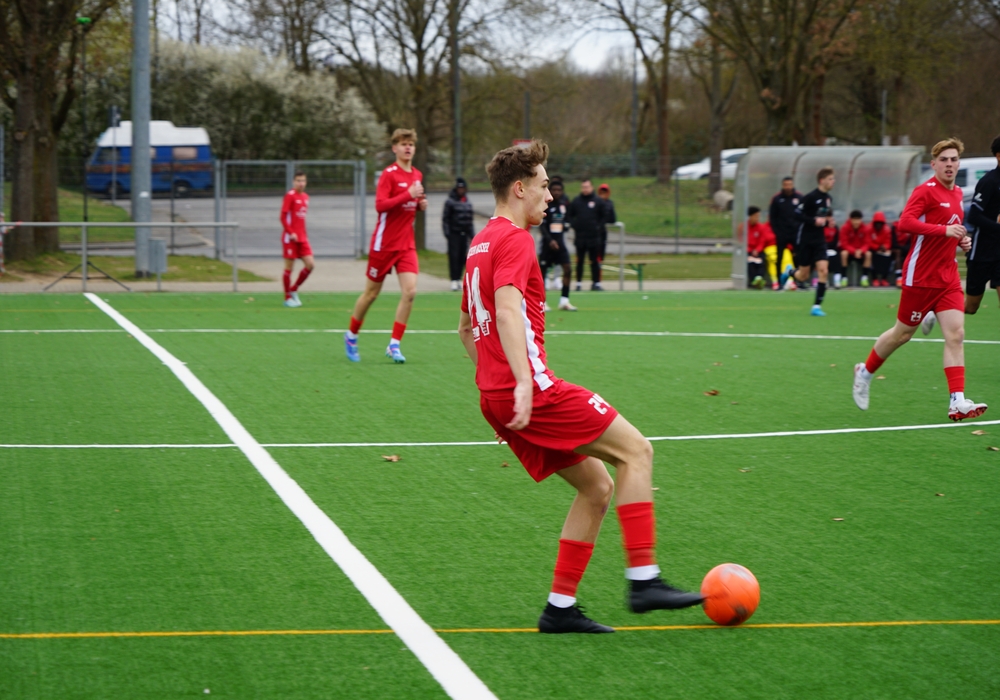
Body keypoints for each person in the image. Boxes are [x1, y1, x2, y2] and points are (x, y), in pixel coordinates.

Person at [458, 140, 703, 634]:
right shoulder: (515, 240)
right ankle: (644, 579)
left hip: (497, 397)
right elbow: (505, 311)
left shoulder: (479, 244)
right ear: (519, 188)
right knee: (637, 451)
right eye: (544, 185)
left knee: (597, 487)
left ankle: (560, 608)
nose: (550, 196)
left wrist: (498, 392)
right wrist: (521, 384)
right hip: (533, 391)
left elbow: (466, 327)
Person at [852, 137, 987, 422]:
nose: (949, 164)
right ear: (934, 164)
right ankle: (865, 372)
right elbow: (905, 223)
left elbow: (951, 229)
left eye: (954, 159)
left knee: (956, 335)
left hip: (948, 277)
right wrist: (944, 231)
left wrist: (960, 240)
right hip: (921, 277)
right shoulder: (925, 191)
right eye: (944, 160)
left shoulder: (957, 193)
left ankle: (957, 401)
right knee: (902, 335)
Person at [344, 128, 428, 363]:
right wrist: (408, 195)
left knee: (410, 292)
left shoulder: (417, 174)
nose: (408, 147)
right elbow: (380, 205)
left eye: (411, 144)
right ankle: (351, 335)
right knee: (371, 294)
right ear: (394, 148)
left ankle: (394, 345)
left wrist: (419, 204)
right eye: (403, 144)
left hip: (406, 245)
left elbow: (412, 202)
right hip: (384, 245)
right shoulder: (389, 175)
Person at [962, 135, 1000, 317]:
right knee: (971, 307)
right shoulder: (989, 182)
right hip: (982, 252)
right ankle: (937, 311)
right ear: (999, 156)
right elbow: (974, 216)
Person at [793, 167, 836, 316]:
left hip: (819, 239)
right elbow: (797, 214)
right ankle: (790, 272)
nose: (833, 181)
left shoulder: (828, 199)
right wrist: (813, 221)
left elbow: (824, 216)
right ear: (821, 180)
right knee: (803, 276)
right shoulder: (810, 197)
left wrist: (828, 221)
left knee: (824, 270)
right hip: (806, 239)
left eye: (833, 179)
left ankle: (816, 306)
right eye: (830, 179)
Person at [539, 179, 576, 311]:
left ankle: (564, 301)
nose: (556, 192)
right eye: (554, 190)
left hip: (560, 244)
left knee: (568, 269)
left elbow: (567, 220)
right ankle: (542, 302)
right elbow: (542, 226)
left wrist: (567, 225)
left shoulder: (563, 205)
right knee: (541, 274)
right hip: (547, 245)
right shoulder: (545, 205)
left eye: (559, 190)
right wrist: (550, 240)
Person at [280, 171, 314, 307]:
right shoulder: (290, 196)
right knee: (289, 268)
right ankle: (287, 297)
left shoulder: (306, 197)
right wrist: (291, 232)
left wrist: (303, 234)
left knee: (310, 265)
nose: (301, 183)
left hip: (302, 238)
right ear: (294, 182)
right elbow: (282, 217)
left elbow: (301, 219)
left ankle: (294, 289)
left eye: (303, 181)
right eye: (298, 181)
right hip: (290, 239)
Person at [567, 179, 605, 291]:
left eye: (587, 187)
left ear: (592, 187)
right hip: (580, 237)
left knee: (594, 261)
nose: (585, 189)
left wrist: (598, 227)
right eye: (583, 187)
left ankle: (596, 283)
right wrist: (575, 225)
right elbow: (569, 215)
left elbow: (604, 216)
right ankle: (578, 283)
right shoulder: (577, 201)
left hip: (594, 237)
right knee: (580, 261)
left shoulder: (598, 201)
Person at [443, 177, 475, 292]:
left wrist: (472, 236)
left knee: (463, 257)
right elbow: (446, 219)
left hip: (464, 234)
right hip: (454, 234)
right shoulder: (450, 202)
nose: (461, 190)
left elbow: (469, 221)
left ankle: (459, 279)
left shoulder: (467, 202)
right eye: (459, 188)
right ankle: (453, 279)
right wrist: (448, 234)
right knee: (454, 257)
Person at [769, 177, 802, 286]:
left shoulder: (799, 198)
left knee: (798, 257)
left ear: (793, 185)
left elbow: (803, 215)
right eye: (785, 185)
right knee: (779, 257)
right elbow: (772, 217)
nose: (788, 187)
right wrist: (777, 231)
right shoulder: (777, 199)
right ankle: (779, 282)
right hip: (782, 233)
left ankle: (799, 281)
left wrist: (799, 229)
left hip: (795, 233)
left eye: (789, 185)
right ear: (782, 185)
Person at [745, 206, 776, 289]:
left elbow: (762, 241)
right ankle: (753, 281)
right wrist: (750, 250)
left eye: (758, 216)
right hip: (748, 251)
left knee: (762, 262)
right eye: (756, 216)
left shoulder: (760, 227)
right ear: (750, 216)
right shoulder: (744, 227)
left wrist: (757, 250)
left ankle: (759, 279)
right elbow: (742, 242)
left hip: (758, 251)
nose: (757, 218)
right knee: (749, 262)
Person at [839, 210, 870, 287]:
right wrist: (854, 251)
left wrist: (861, 251)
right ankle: (844, 277)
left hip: (860, 253)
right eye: (854, 219)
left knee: (868, 254)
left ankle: (864, 278)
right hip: (850, 253)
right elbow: (844, 244)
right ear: (851, 219)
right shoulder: (845, 228)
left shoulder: (865, 228)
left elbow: (867, 243)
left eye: (858, 219)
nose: (856, 222)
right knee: (843, 254)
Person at [868, 212, 893, 287]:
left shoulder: (887, 229)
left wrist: (885, 247)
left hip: (883, 250)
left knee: (889, 255)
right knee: (871, 255)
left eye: (880, 223)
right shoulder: (869, 229)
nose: (878, 225)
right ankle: (874, 278)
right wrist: (877, 247)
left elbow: (888, 242)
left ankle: (884, 278)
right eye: (877, 223)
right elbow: (868, 241)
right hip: (873, 250)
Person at [597, 183, 616, 277]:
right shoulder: (595, 202)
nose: (603, 194)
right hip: (594, 232)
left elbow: (613, 219)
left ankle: (599, 279)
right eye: (601, 192)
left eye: (605, 192)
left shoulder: (609, 203)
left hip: (602, 232)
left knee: (601, 256)